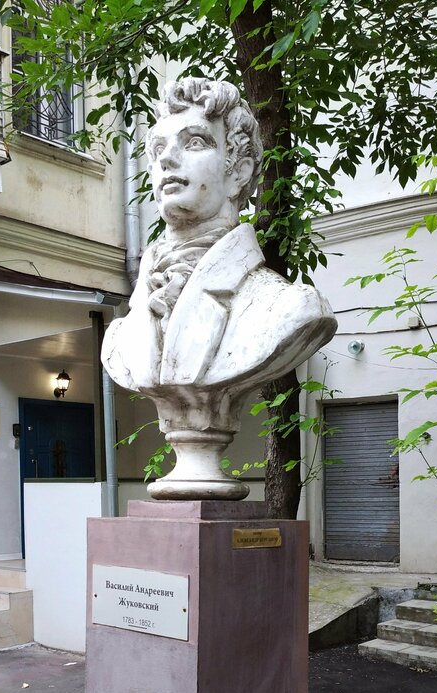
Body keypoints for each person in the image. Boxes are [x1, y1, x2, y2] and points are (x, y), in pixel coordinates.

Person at [101, 78, 337, 498]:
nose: (168, 159)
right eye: (157, 150)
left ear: (239, 170)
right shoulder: (119, 337)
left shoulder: (286, 308)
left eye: (193, 143)